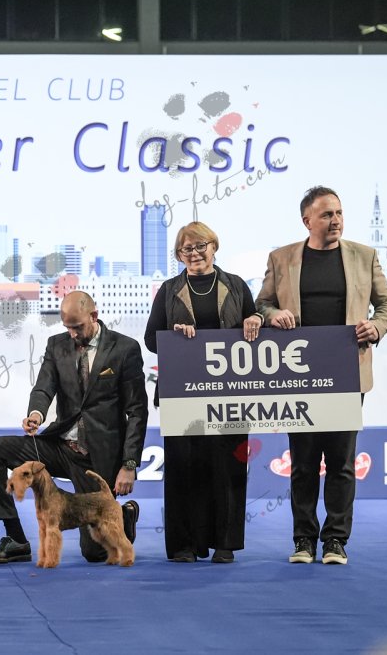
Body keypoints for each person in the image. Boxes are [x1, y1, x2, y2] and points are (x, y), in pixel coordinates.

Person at [256, 185, 387, 565]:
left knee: (341, 463)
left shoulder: (364, 256)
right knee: (302, 464)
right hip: (298, 376)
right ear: (308, 221)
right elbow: (263, 303)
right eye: (326, 215)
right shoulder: (281, 258)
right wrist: (273, 315)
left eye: (338, 213)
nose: (335, 220)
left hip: (347, 374)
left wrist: (377, 326)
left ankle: (336, 540)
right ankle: (303, 540)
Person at [0, 291, 148, 564]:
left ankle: (123, 515)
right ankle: (16, 538)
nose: (72, 334)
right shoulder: (56, 345)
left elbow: (137, 411)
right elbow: (43, 387)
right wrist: (36, 413)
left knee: (94, 553)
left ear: (94, 316)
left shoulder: (125, 348)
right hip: (59, 446)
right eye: (67, 327)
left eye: (77, 327)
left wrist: (129, 464)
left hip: (97, 456)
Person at [143, 222, 263, 564]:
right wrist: (174, 333)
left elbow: (254, 325)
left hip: (231, 393)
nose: (194, 253)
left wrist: (256, 318)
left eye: (200, 246)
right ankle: (185, 545)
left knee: (229, 468)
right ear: (179, 255)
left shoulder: (236, 285)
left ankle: (225, 543)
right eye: (187, 249)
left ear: (214, 246)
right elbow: (151, 339)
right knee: (184, 468)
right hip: (183, 393)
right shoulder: (169, 290)